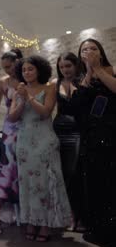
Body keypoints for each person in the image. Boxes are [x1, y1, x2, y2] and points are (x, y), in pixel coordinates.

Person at [9, 55, 71, 242]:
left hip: (44, 141)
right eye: (24, 70)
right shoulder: (18, 91)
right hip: (25, 143)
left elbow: (45, 113)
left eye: (31, 69)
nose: (27, 73)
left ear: (39, 70)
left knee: (45, 183)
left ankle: (45, 224)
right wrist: (21, 99)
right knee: (27, 185)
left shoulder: (49, 88)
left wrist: (28, 97)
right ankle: (30, 222)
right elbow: (12, 118)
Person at [71, 38, 116, 247]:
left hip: (111, 132)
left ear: (101, 51)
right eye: (84, 49)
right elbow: (78, 103)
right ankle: (99, 229)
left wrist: (98, 69)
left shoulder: (111, 69)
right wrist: (89, 72)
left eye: (93, 48)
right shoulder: (81, 77)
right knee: (95, 183)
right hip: (91, 136)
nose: (89, 51)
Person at [0, 49, 22, 234]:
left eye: (9, 66)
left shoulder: (28, 77)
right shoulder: (3, 82)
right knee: (6, 169)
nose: (7, 70)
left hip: (28, 129)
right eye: (4, 67)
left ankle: (27, 214)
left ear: (18, 62)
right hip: (9, 130)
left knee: (25, 171)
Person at [50, 52, 83, 231]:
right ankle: (64, 214)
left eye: (68, 66)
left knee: (73, 172)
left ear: (76, 65)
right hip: (59, 129)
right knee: (59, 173)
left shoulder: (84, 80)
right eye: (62, 67)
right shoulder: (55, 83)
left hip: (77, 129)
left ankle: (76, 215)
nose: (65, 70)